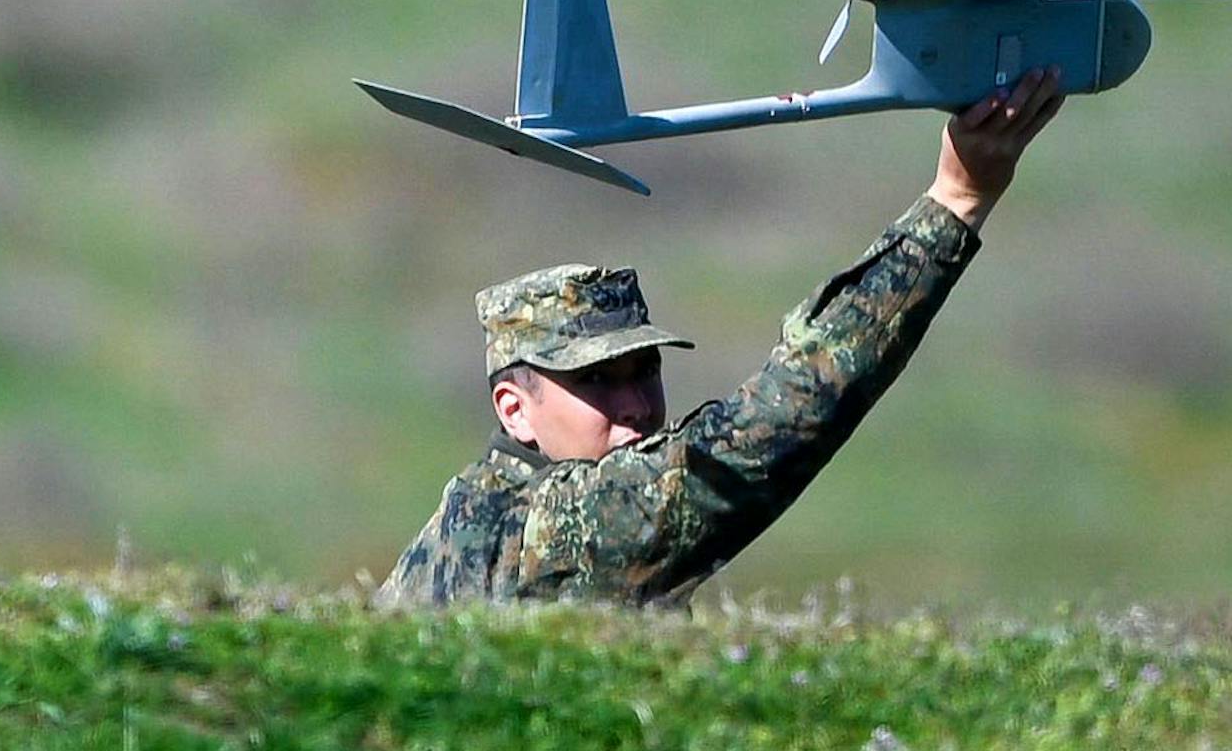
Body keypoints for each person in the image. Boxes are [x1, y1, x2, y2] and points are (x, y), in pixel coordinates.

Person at [374, 67, 1067, 608]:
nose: (635, 406)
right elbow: (785, 416)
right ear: (512, 408)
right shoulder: (561, 528)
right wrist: (956, 201)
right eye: (593, 382)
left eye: (643, 371)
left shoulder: (466, 519)